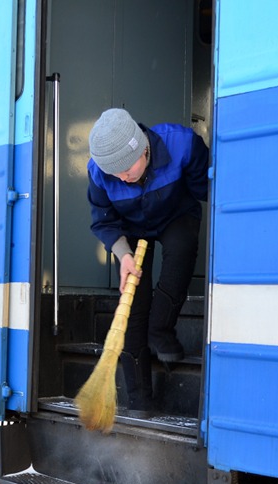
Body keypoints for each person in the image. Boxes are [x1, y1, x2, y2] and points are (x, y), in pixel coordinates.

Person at [86, 108, 209, 413]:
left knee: (180, 251)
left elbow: (208, 191)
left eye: (127, 169)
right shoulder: (99, 172)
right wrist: (123, 254)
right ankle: (139, 401)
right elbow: (103, 221)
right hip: (130, 231)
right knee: (133, 308)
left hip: (176, 216)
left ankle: (162, 333)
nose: (122, 178)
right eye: (115, 175)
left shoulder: (182, 145)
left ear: (143, 148)